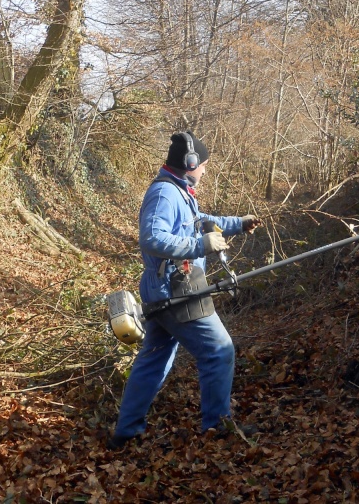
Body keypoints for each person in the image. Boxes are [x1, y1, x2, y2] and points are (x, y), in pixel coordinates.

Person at [108, 131, 262, 450]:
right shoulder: (165, 193)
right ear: (189, 163)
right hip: (176, 290)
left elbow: (199, 219)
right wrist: (198, 245)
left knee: (154, 358)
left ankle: (127, 430)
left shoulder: (180, 190)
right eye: (202, 165)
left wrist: (237, 223)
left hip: (164, 288)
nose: (204, 170)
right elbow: (152, 237)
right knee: (219, 350)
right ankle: (218, 429)